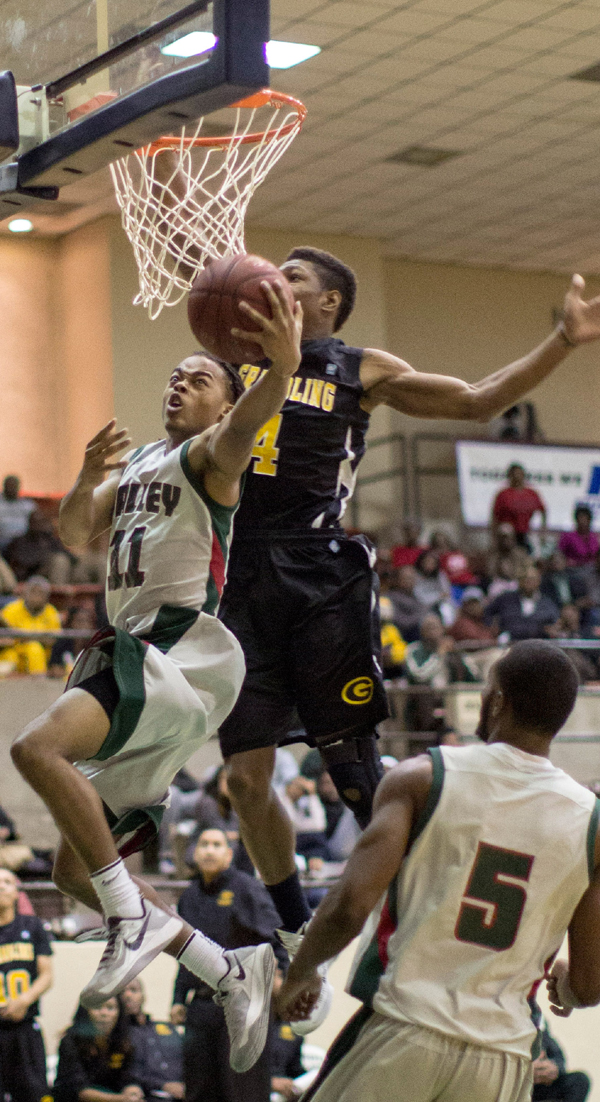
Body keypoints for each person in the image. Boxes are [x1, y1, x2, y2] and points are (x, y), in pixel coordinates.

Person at [163, 206, 600, 1026]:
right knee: (245, 781)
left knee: (357, 775)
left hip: (318, 572)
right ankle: (295, 932)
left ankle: (454, 923)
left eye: (293, 276)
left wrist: (562, 340)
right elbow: (199, 316)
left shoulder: (358, 367)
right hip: (237, 577)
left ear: (328, 303)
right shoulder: (238, 359)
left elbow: (477, 400)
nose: (275, 281)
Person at [10, 280, 303, 1073]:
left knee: (35, 749)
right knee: (75, 868)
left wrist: (282, 368)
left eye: (198, 378)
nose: (179, 384)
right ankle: (226, 967)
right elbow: (77, 530)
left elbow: (249, 421)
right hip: (136, 653)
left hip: (178, 647)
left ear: (224, 404)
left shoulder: (212, 457)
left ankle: (132, 920)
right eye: (174, 376)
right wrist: (83, 475)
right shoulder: (144, 459)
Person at [276, 640, 600, 1102]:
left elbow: (350, 905)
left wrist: (302, 971)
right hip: (504, 1060)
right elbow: (590, 985)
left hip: (405, 1028)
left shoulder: (423, 776)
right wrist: (564, 988)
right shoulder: (591, 822)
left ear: (498, 701)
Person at [171, 828, 285, 1102]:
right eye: (204, 844)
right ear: (195, 853)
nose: (209, 850)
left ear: (229, 855)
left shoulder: (246, 888)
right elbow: (186, 954)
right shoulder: (188, 897)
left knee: (243, 1092)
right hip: (202, 1006)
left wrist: (283, 981)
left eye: (217, 844)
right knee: (199, 1090)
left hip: (244, 1005)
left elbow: (279, 939)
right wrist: (177, 998)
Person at [0, 866, 53, 1102]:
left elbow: (47, 975)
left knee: (34, 1094)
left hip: (25, 1028)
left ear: (17, 892)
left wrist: (23, 1000)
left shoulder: (32, 926)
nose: (1, 886)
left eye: (7, 882)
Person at [53, 997, 143, 1102]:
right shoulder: (71, 1041)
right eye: (97, 1007)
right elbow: (77, 1089)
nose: (104, 1013)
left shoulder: (126, 1041)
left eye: (110, 1008)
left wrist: (133, 1092)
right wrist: (120, 1099)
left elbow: (129, 1078)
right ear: (86, 1011)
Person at [121, 977, 183, 1100]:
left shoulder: (167, 1027)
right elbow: (124, 1075)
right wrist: (163, 1085)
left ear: (143, 997)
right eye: (122, 992)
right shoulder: (119, 1035)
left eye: (133, 990)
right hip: (148, 1095)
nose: (128, 995)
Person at [0, 575, 62, 675]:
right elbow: (4, 637)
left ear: (47, 597)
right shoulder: (11, 610)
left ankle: (38, 681)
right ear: (25, 594)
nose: (36, 597)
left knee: (34, 648)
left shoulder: (51, 612)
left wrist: (23, 637)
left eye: (40, 593)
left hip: (40, 656)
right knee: (9, 655)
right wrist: (36, 637)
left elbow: (52, 640)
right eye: (33, 592)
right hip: (14, 651)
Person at [486, 565, 560, 642]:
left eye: (532, 579)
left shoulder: (547, 604)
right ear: (519, 581)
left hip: (538, 643)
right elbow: (487, 612)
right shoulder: (505, 599)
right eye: (525, 579)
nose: (528, 582)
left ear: (538, 581)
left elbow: (555, 623)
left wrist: (552, 630)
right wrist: (492, 627)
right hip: (510, 642)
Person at [5, 509, 73, 584]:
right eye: (37, 522)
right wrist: (44, 554)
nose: (41, 525)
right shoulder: (20, 541)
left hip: (53, 573)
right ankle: (59, 590)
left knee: (79, 563)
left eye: (43, 521)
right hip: (32, 577)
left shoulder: (49, 539)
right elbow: (25, 565)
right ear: (30, 523)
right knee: (59, 561)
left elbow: (69, 556)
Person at [531, 1022, 590, 1102]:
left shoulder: (539, 1024)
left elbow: (558, 1057)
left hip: (541, 1085)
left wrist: (554, 1068)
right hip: (520, 1084)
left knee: (580, 1080)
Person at [491, 464, 546, 549]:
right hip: (508, 532)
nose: (517, 477)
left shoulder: (531, 494)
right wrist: (494, 535)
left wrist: (543, 530)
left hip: (525, 531)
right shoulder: (503, 495)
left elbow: (543, 511)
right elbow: (495, 516)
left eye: (519, 474)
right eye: (514, 474)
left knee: (533, 547)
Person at [0, 477, 35, 554]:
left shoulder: (27, 504)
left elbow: (36, 520)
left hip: (22, 540)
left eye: (13, 486)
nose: (11, 489)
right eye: (9, 486)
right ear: (4, 487)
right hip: (3, 539)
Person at [558, 505, 599, 570]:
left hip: (593, 569)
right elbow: (559, 553)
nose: (583, 522)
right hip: (572, 570)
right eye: (581, 519)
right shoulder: (568, 537)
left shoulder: (594, 538)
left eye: (586, 519)